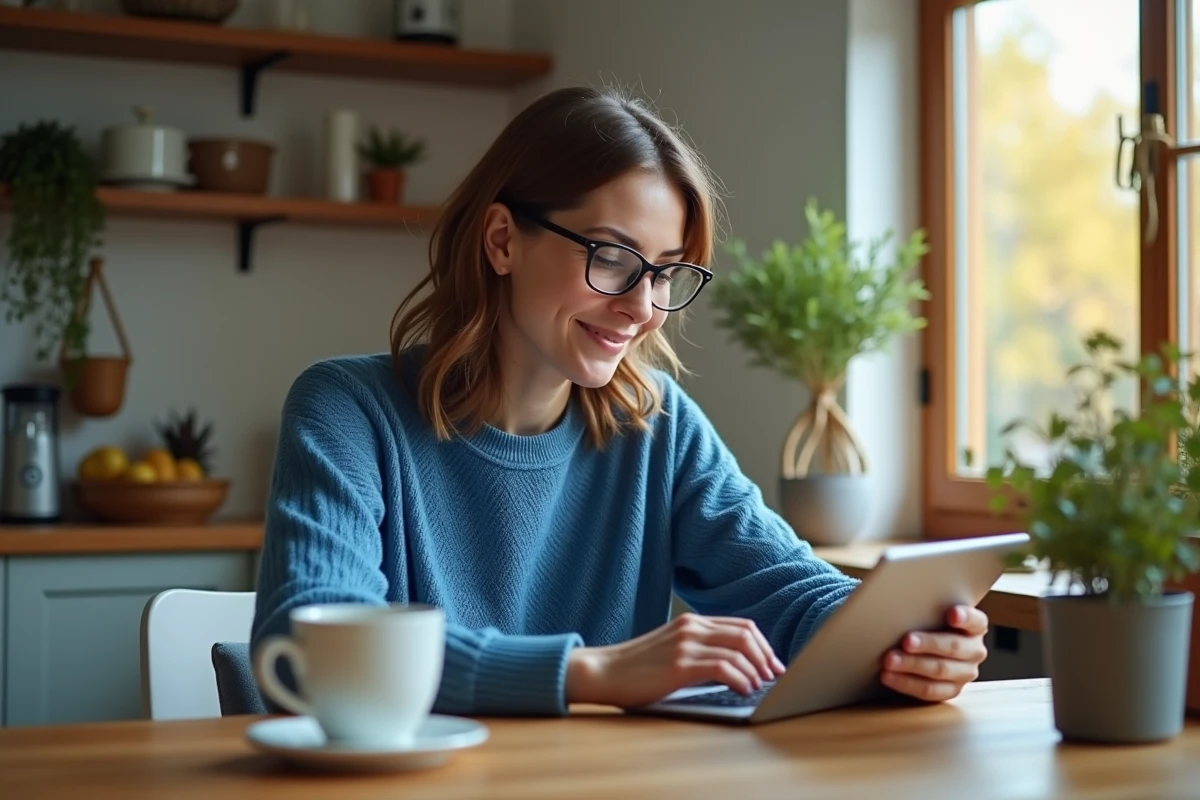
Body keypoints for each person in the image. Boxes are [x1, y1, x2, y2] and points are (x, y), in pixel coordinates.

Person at [250, 85, 989, 716]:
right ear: (502, 240)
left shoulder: (658, 425)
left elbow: (788, 590)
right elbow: (312, 646)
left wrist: (906, 645)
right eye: (612, 257)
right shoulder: (346, 410)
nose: (643, 307)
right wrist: (595, 672)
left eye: (665, 273)